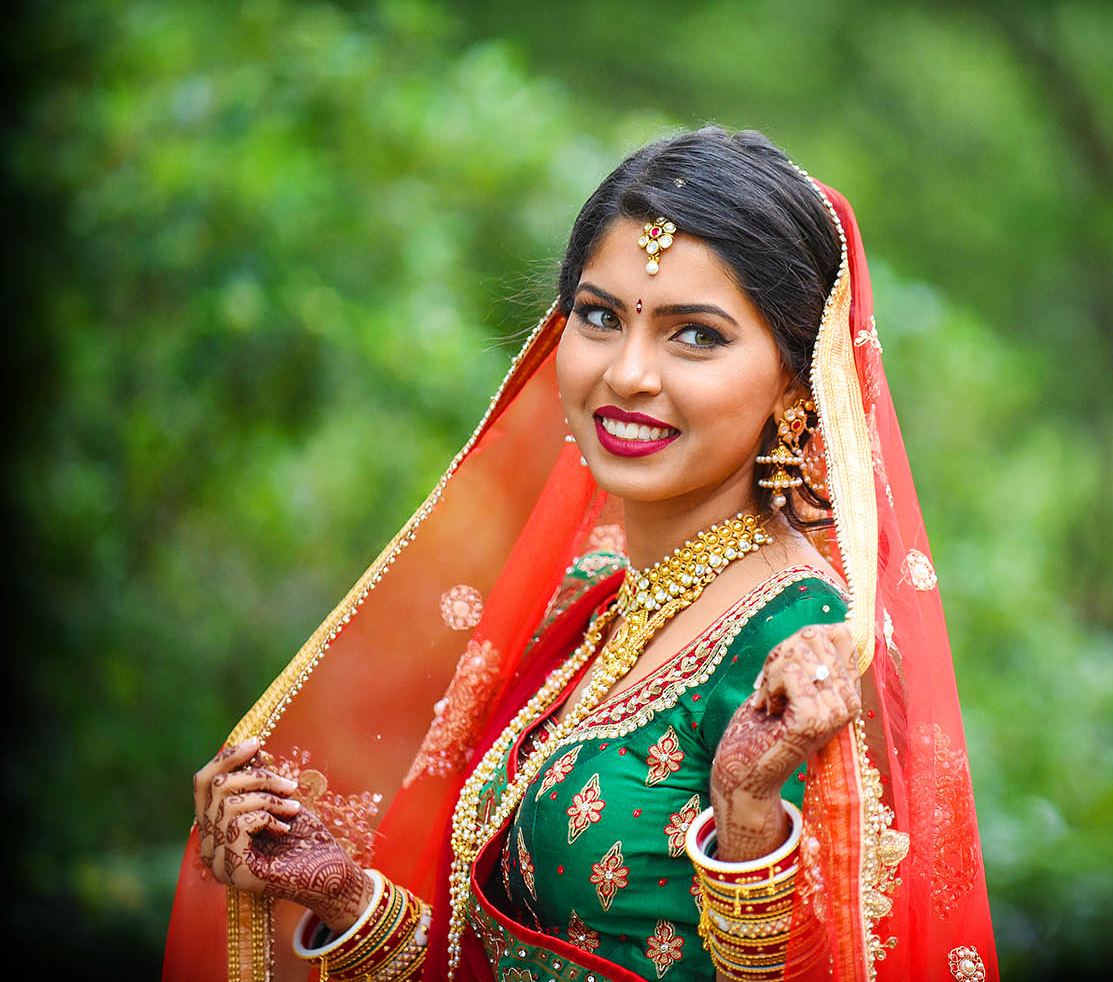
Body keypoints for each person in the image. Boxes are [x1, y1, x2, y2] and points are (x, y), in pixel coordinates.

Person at [165, 127, 996, 982]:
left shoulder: (808, 651)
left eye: (696, 335)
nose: (627, 372)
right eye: (600, 317)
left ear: (794, 377)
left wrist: (748, 819)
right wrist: (341, 897)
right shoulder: (595, 603)